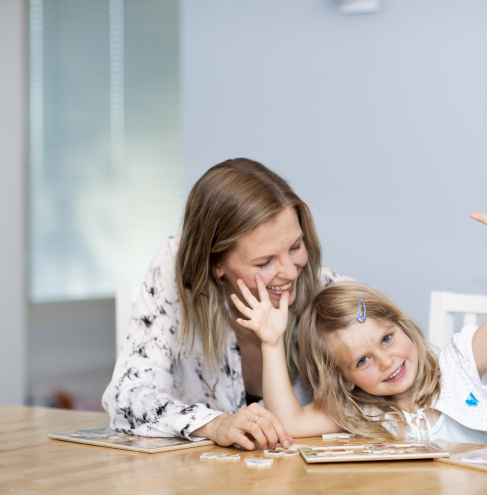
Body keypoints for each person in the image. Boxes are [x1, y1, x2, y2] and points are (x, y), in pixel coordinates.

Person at [231, 167, 487, 446]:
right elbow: (288, 421)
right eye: (362, 361)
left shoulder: (458, 369)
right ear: (346, 381)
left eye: (386, 339)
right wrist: (272, 342)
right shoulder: (357, 414)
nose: (386, 361)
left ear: (402, 325)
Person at [102, 158, 350, 451]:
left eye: (295, 246)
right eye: (264, 261)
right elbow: (125, 396)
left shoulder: (332, 295)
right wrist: (216, 424)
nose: (290, 271)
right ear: (215, 263)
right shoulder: (175, 263)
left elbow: (389, 392)